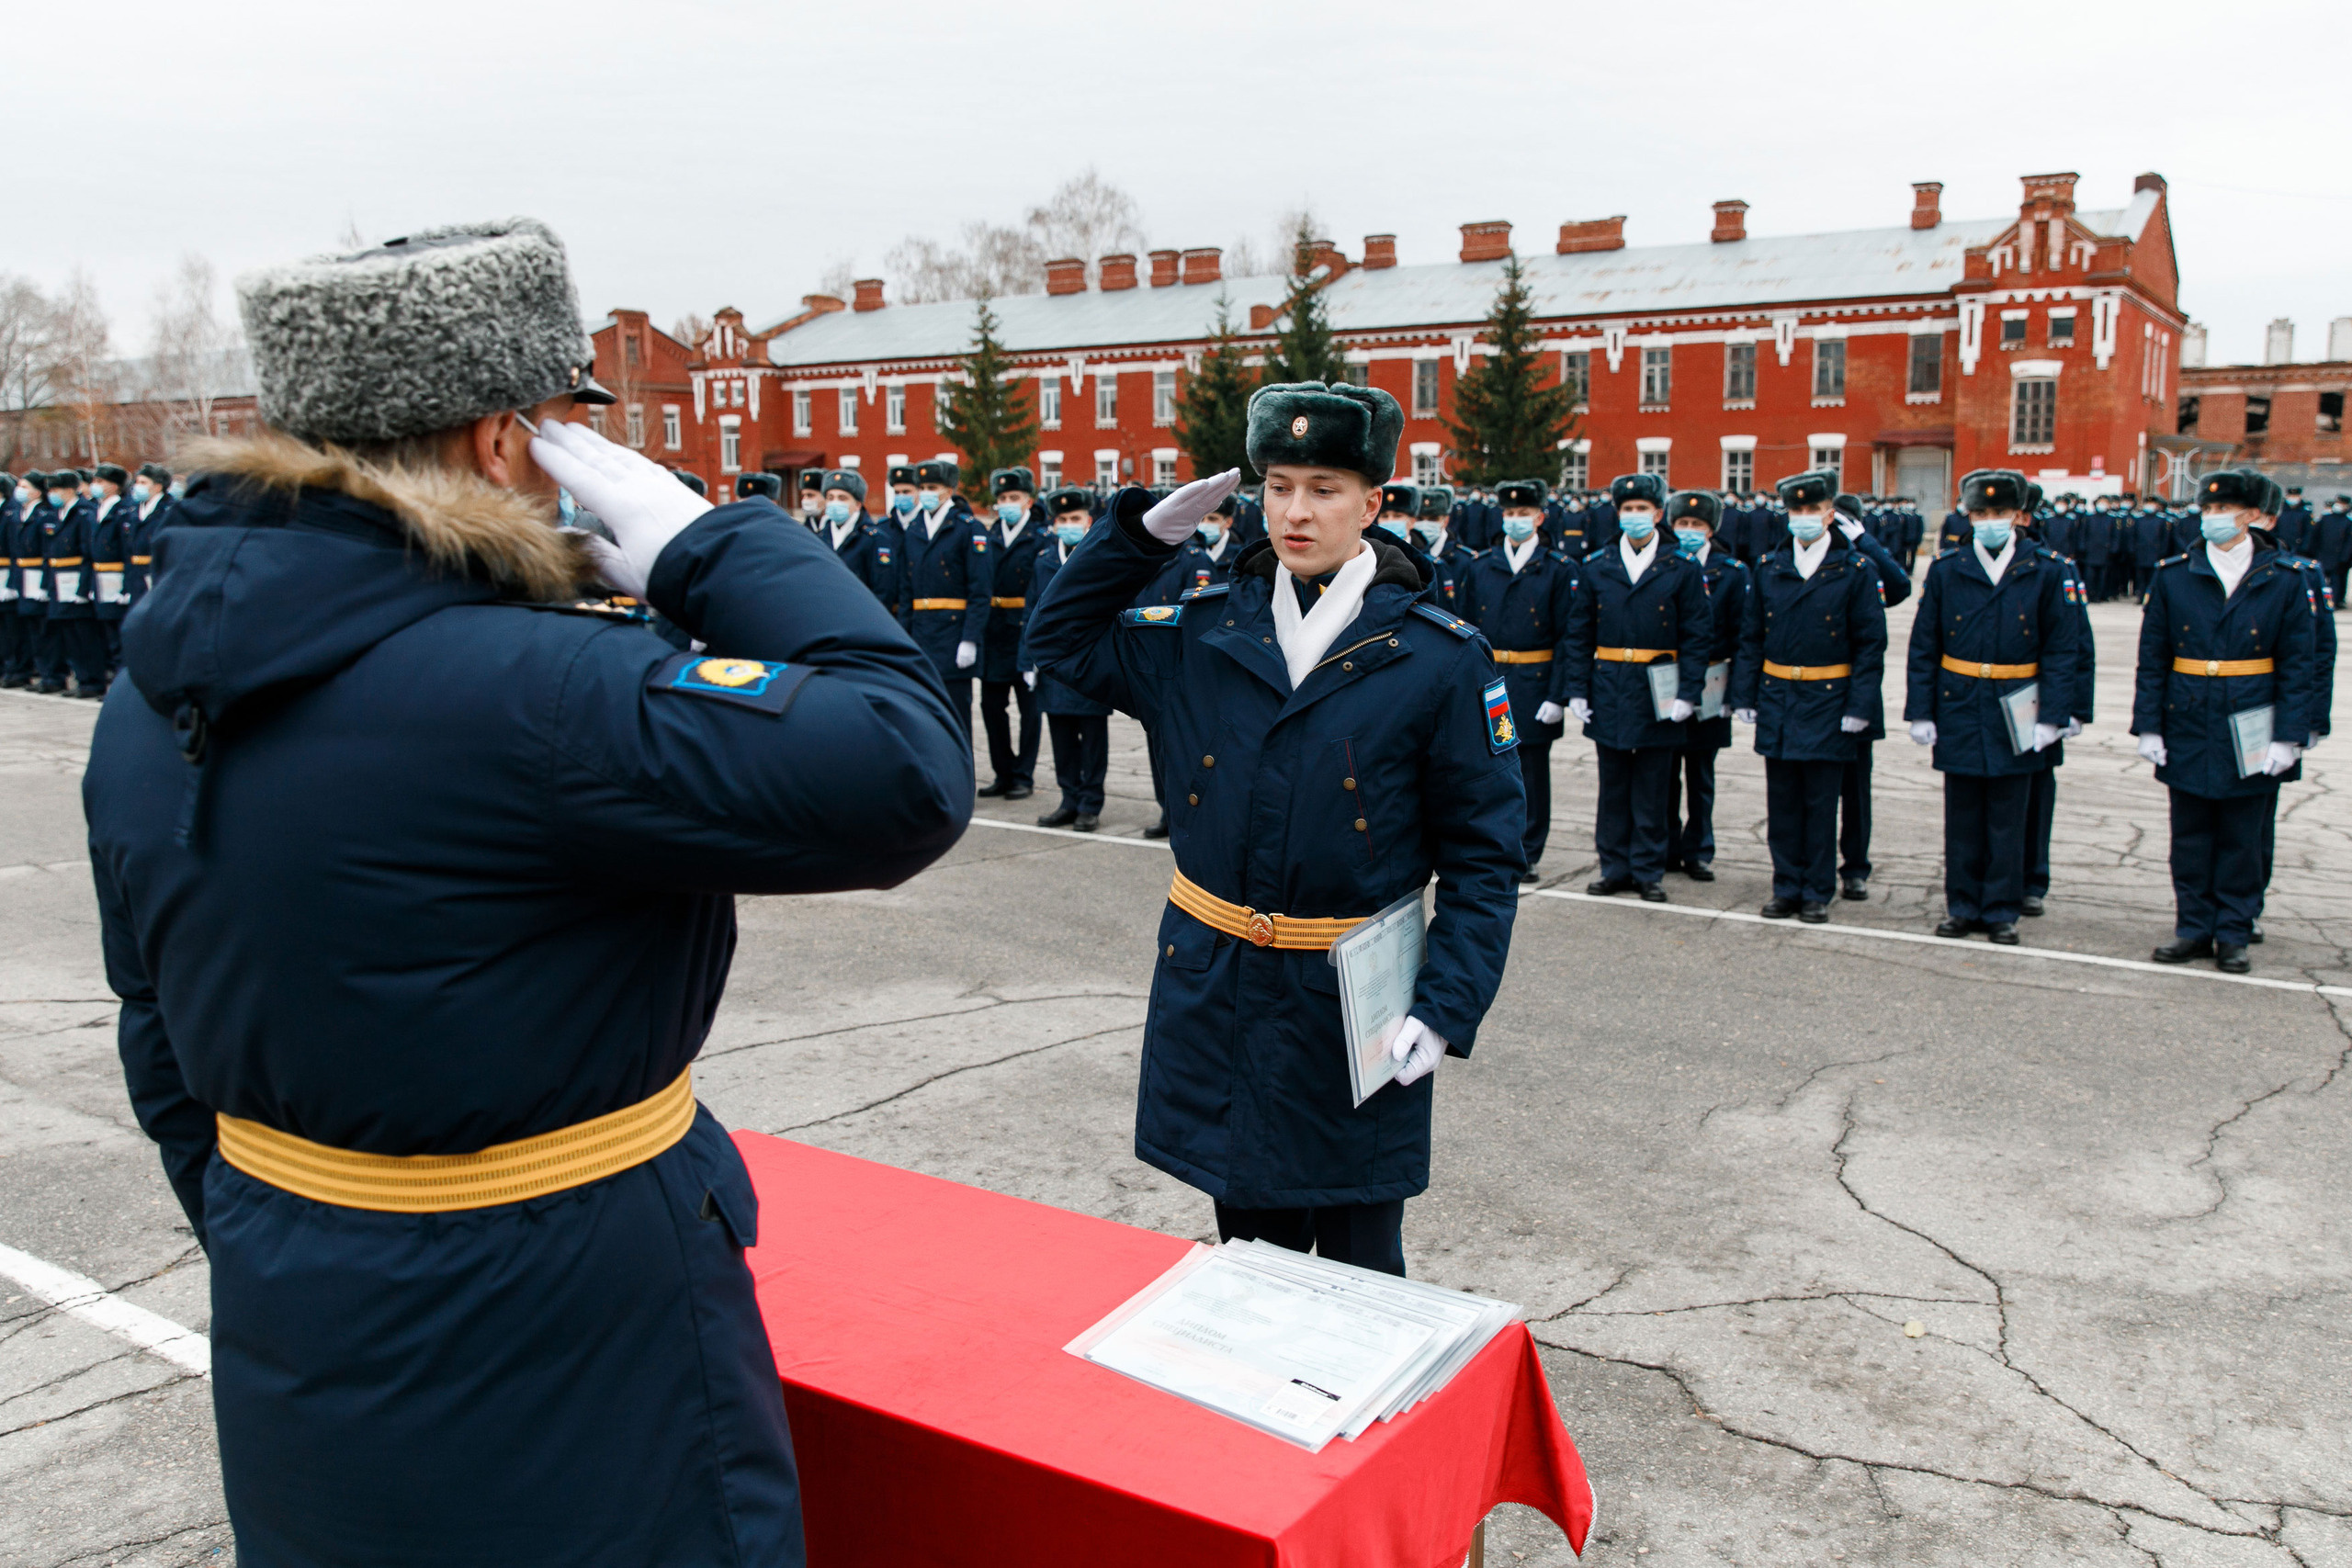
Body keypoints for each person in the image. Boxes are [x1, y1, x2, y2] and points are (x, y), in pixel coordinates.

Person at [85, 218, 972, 1566]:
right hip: (580, 1346)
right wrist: (713, 547)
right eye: (564, 424)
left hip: (295, 1305)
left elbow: (156, 1023)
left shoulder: (151, 690)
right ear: (504, 444)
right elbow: (908, 767)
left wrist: (305, 1225)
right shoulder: (537, 689)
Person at [1023, 379, 1523, 1277]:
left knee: (1362, 1274)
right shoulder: (1201, 637)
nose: (1295, 512)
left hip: (1354, 1007)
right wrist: (1137, 538)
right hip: (1219, 990)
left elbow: (1485, 860)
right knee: (1251, 1263)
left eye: (1324, 489)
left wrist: (1444, 1007)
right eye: (1279, 484)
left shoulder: (1438, 661)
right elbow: (1056, 643)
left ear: (1373, 503)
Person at [2132, 469, 2323, 972]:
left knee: (2242, 837)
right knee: (2190, 836)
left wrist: (2290, 736)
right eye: (2209, 510)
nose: (2215, 518)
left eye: (2227, 510)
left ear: (2255, 516)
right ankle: (2193, 928)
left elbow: (2300, 663)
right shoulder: (2174, 573)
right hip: (2189, 715)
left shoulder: (2286, 578)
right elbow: (2153, 657)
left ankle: (2234, 930)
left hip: (2252, 715)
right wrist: (2149, 725)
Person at [1905, 470, 2084, 944]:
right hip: (1961, 703)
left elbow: (2063, 650)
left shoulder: (2047, 568)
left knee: (2008, 816)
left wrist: (2054, 716)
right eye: (1980, 514)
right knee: (1962, 816)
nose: (1989, 522)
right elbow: (1925, 645)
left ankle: (2001, 909)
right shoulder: (1948, 568)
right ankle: (1962, 906)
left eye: (1999, 514)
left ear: (2018, 516)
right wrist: (1921, 711)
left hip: (2018, 705)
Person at [1729, 471, 1887, 920]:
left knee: (1820, 803)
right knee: (1782, 802)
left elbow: (1870, 645)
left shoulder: (1855, 569)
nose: (1803, 518)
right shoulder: (1770, 567)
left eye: (1812, 511)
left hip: (1830, 697)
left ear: (1829, 514)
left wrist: (1859, 706)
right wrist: (1746, 695)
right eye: (1795, 511)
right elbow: (1752, 636)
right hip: (1779, 694)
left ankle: (1817, 890)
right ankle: (1786, 885)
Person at [1562, 472, 1710, 901]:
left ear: (1659, 514)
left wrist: (1688, 694)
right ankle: (1614, 866)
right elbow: (1579, 631)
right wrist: (1578, 689)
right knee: (1613, 785)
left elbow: (1697, 635)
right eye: (1627, 509)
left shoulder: (1680, 567)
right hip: (1610, 683)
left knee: (1652, 786)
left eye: (1642, 509)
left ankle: (1648, 870)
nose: (1634, 516)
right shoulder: (1598, 565)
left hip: (1657, 688)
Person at [1459, 478, 1583, 883]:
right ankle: (1490, 844)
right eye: (1510, 513)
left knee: (1530, 773)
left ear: (1540, 517)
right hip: (1490, 678)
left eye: (1524, 514)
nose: (1516, 520)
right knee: (1484, 769)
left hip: (1534, 681)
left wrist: (1559, 694)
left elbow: (1570, 636)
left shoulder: (1558, 569)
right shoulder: (1481, 565)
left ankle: (1528, 851)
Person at [2241, 475, 2335, 943]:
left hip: (2269, 715)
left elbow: (2316, 655)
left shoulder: (2301, 574)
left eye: (2249, 513)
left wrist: (2307, 725)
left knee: (2255, 825)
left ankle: (2246, 907)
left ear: (2270, 519)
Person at [1830, 489, 1914, 899]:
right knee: (1813, 787)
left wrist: (1864, 538)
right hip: (1811, 687)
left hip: (1857, 687)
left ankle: (1855, 866)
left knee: (1855, 789)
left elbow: (1899, 589)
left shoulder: (1866, 563)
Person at [1662, 491, 1747, 881]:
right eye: (1682, 524)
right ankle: (1665, 846)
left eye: (1697, 525)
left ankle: (1698, 849)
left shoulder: (1731, 572)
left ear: (1711, 529)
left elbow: (1743, 635)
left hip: (1712, 679)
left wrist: (1734, 693)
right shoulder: (1664, 565)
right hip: (1666, 679)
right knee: (1663, 772)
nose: (1689, 531)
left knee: (1700, 774)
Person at [1023, 486, 1113, 830]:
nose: (1069, 524)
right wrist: (1027, 660)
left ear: (1089, 521)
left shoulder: (1100, 557)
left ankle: (1090, 803)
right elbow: (1031, 612)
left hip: (1089, 661)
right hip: (1054, 664)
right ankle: (1069, 799)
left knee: (1092, 739)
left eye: (1075, 518)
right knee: (1061, 737)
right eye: (1063, 520)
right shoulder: (1044, 559)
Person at [893, 457, 993, 740]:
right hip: (921, 634)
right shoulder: (914, 530)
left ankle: (961, 782)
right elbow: (905, 590)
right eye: (922, 486)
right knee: (923, 717)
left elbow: (980, 589)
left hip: (953, 635)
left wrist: (970, 639)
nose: (926, 492)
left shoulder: (967, 528)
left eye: (932, 486)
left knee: (957, 721)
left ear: (949, 490)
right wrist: (903, 635)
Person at [978, 466, 1046, 800]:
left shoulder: (1040, 538)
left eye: (1014, 497)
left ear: (1028, 501)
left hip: (1024, 628)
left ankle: (1023, 775)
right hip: (993, 630)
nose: (1007, 503)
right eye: (1002, 498)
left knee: (1029, 709)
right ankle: (1002, 771)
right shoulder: (988, 538)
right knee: (992, 706)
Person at [40, 468, 107, 696]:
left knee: (84, 634)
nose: (52, 493)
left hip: (76, 578)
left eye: (56, 489)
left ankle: (92, 681)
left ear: (70, 489)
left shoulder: (83, 513)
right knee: (69, 634)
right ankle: (82, 678)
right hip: (59, 581)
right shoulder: (57, 512)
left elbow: (88, 553)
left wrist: (83, 587)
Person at [814, 468, 895, 603]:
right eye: (830, 498)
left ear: (857, 504)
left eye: (842, 498)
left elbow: (883, 590)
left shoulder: (874, 540)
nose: (835, 503)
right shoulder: (818, 539)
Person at [124, 462, 176, 610]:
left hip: (158, 572)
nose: (137, 486)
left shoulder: (170, 510)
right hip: (137, 574)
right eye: (137, 482)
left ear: (158, 486)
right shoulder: (134, 510)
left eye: (143, 482)